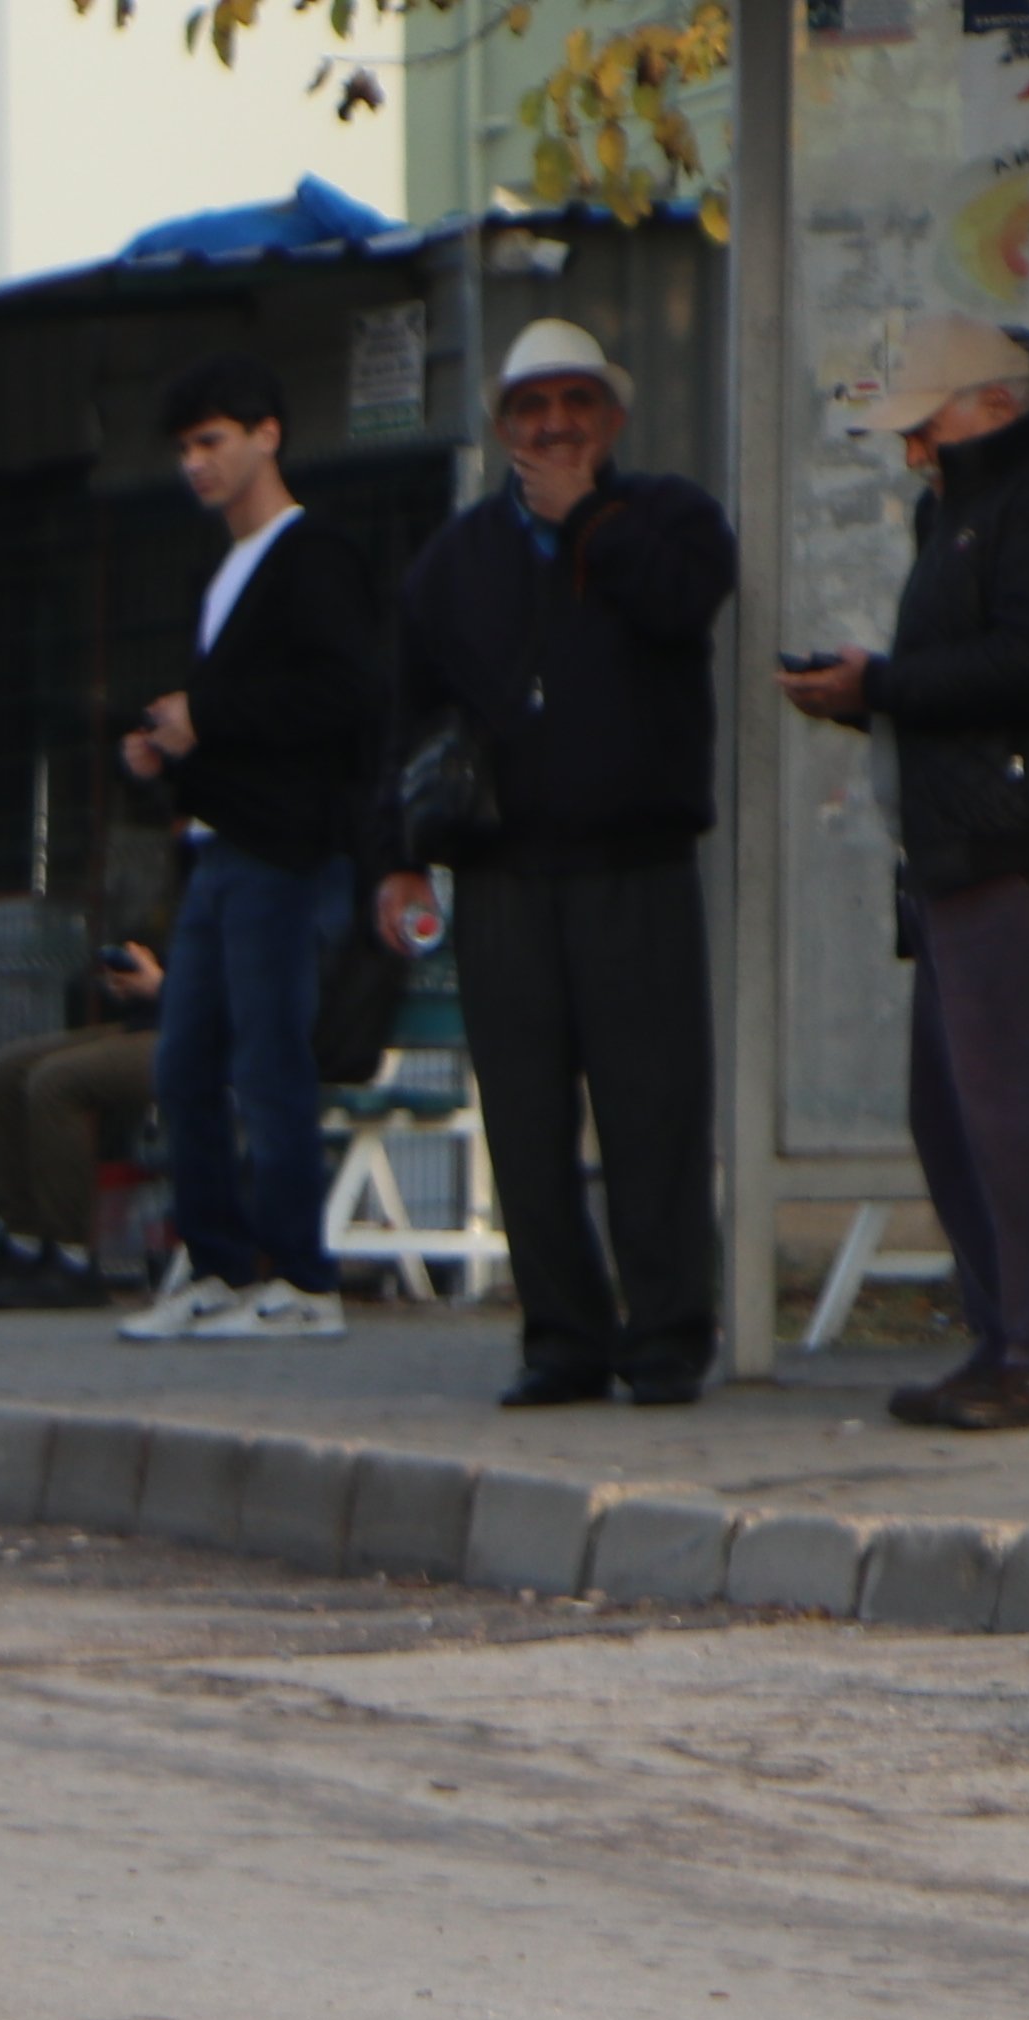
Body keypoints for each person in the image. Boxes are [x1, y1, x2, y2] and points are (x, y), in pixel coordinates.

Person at [375, 319, 741, 1408]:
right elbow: (405, 717)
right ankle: (563, 1339)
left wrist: (583, 518)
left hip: (637, 866)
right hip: (503, 877)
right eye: (532, 407)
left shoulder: (670, 518)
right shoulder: (454, 559)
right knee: (525, 1120)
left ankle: (669, 1333)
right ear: (500, 427)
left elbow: (683, 604)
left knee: (654, 1112)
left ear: (612, 419)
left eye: (576, 402)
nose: (555, 423)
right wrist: (397, 860)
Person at [781, 318, 1029, 1430]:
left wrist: (882, 687)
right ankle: (1011, 1333)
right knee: (958, 1110)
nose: (914, 452)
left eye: (926, 426)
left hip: (1026, 842)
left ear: (993, 404)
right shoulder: (964, 509)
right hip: (962, 840)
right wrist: (877, 697)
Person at [124, 350, 387, 1343]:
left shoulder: (314, 555)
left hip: (284, 849)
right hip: (217, 846)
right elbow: (240, 714)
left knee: (268, 1057)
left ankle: (306, 1280)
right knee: (185, 1060)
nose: (196, 464)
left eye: (212, 441)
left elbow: (348, 692)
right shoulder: (220, 569)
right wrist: (166, 748)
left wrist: (211, 716)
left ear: (267, 434)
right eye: (185, 448)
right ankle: (220, 1265)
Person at [0, 928, 161, 1308]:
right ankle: (23, 1246)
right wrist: (138, 983)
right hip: (154, 1020)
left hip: (202, 1033)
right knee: (9, 1072)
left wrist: (162, 987)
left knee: (56, 1082)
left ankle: (72, 1259)